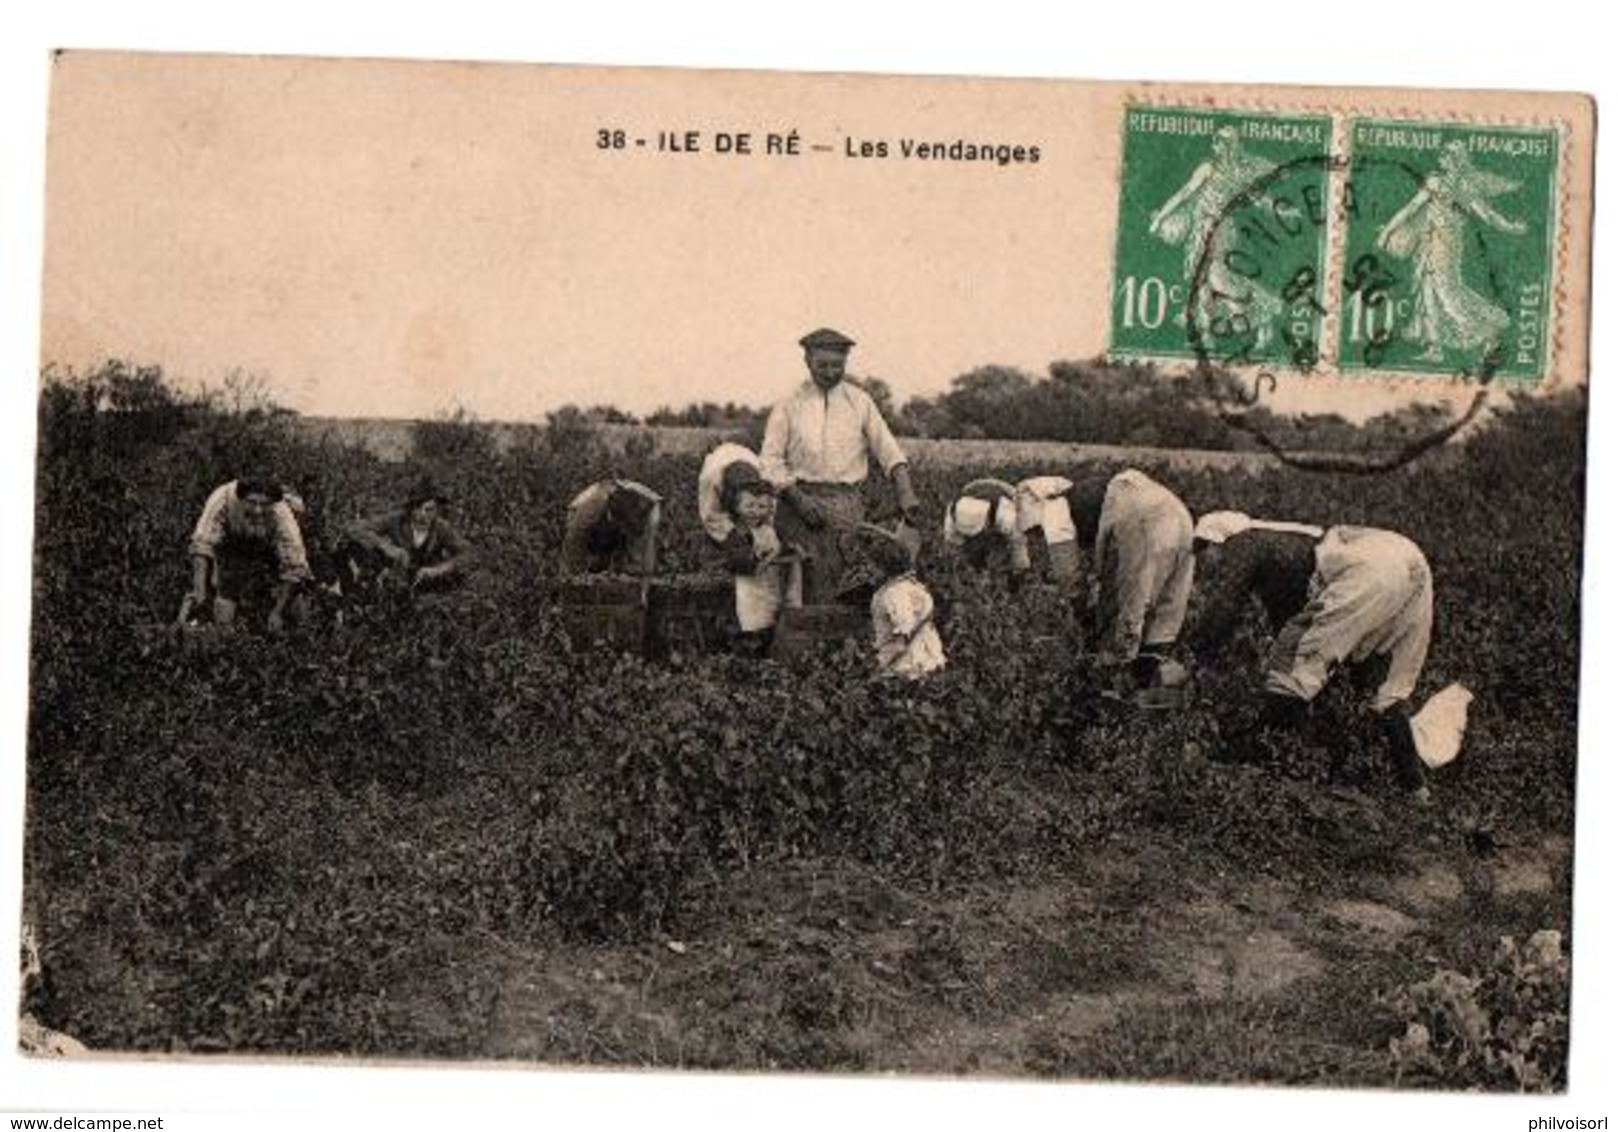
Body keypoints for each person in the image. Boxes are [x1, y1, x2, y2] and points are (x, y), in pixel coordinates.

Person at [1187, 511, 1436, 793]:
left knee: (1293, 662)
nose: (1203, 563)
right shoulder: (1289, 542)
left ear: (1216, 540)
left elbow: (1221, 613)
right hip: (1408, 560)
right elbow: (1297, 615)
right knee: (1384, 686)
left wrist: (1190, 655)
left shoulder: (1243, 543)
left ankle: (1244, 752)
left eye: (1202, 550)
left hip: (1370, 569)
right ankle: (1415, 787)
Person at [761, 327, 920, 602]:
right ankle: (800, 641)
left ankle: (842, 643)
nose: (830, 372)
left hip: (845, 504)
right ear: (807, 361)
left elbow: (889, 451)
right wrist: (796, 497)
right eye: (822, 365)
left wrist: (906, 493)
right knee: (799, 583)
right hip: (797, 506)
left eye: (837, 365)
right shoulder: (789, 404)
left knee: (844, 580)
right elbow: (770, 460)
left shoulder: (859, 401)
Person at [1375, 139, 1529, 364]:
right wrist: (1387, 231)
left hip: (1445, 245)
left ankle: (1489, 337)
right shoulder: (1438, 181)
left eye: (1446, 156)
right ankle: (1435, 348)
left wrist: (1510, 227)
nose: (1442, 159)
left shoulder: (1458, 185)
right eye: (1443, 156)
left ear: (1455, 160)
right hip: (1428, 242)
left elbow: (1486, 214)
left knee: (1447, 294)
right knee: (1428, 293)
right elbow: (1412, 208)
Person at [1067, 468, 1195, 690]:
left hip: (1143, 519)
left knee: (1125, 611)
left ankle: (1111, 691)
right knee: (1168, 609)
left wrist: (1096, 629)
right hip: (1182, 518)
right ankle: (1152, 689)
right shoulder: (1134, 489)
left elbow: (1113, 584)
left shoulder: (1114, 505)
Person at [697, 443, 803, 651]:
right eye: (746, 506)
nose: (753, 512)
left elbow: (768, 511)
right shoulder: (711, 480)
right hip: (721, 488)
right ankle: (737, 622)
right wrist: (734, 539)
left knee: (761, 554)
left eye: (758, 505)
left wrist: (767, 540)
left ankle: (762, 624)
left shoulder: (763, 474)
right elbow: (711, 516)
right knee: (733, 555)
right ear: (735, 501)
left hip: (748, 473)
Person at [183, 477, 314, 632]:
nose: (257, 510)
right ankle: (223, 635)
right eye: (252, 502)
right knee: (223, 596)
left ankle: (293, 633)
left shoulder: (281, 514)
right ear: (241, 498)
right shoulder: (222, 499)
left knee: (293, 603)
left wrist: (277, 612)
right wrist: (200, 592)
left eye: (264, 504)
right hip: (232, 542)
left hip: (268, 547)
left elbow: (294, 565)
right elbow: (202, 545)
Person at [942, 475, 1083, 594]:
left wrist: (1019, 574)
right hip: (975, 496)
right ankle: (982, 575)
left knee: (1002, 552)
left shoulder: (1005, 514)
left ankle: (997, 578)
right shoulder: (952, 517)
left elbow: (1018, 542)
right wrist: (962, 575)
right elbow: (953, 550)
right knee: (973, 556)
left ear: (987, 522)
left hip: (1005, 497)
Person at [342, 477, 473, 597]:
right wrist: (386, 546)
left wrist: (437, 570)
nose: (423, 515)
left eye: (429, 510)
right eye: (418, 509)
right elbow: (353, 528)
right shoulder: (397, 519)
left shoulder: (441, 527)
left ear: (436, 510)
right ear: (410, 508)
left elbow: (468, 553)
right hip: (396, 579)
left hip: (428, 584)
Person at [858, 522, 945, 680]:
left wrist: (877, 668)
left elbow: (904, 634)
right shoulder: (913, 585)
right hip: (928, 662)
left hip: (908, 669)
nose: (869, 571)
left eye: (872, 566)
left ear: (884, 568)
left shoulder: (894, 594)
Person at [559, 476, 663, 577]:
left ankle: (625, 572)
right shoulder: (589, 509)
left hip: (641, 506)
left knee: (637, 561)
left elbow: (642, 538)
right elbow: (574, 538)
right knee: (580, 560)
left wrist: (638, 569)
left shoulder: (643, 508)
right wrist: (573, 571)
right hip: (582, 515)